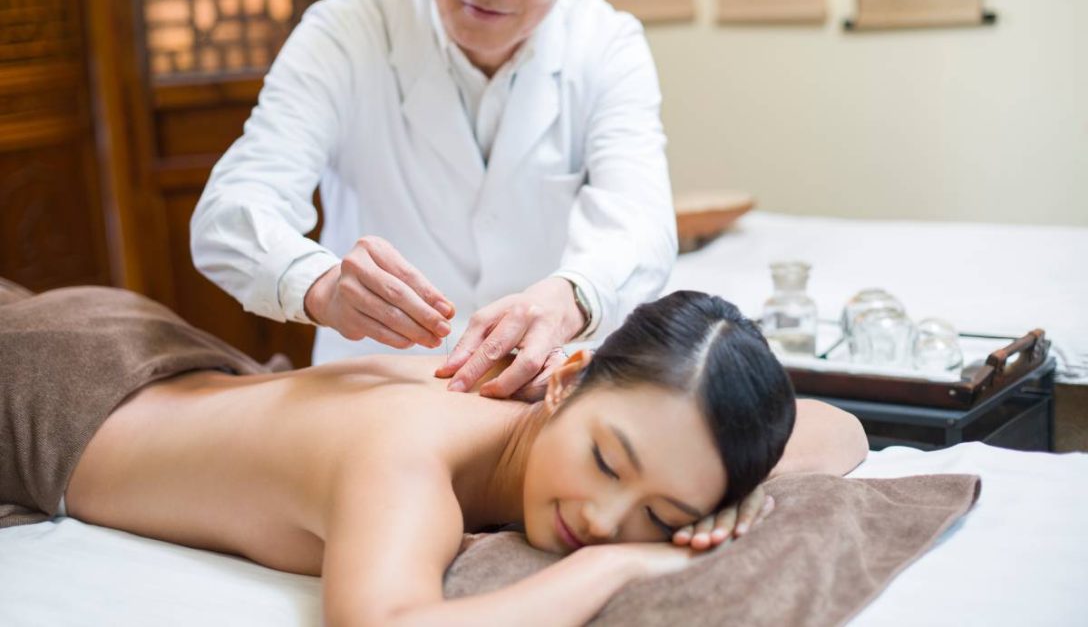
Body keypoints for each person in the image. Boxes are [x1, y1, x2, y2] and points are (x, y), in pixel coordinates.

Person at [0, 283, 867, 625]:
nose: (605, 518)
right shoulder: (407, 459)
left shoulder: (551, 411)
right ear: (565, 380)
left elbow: (843, 430)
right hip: (49, 392)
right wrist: (616, 566)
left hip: (169, 364)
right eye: (607, 463)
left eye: (660, 512)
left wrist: (739, 489)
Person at [190, 0, 677, 399]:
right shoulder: (350, 27)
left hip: (539, 390)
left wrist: (571, 297)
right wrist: (320, 285)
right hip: (377, 390)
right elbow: (230, 212)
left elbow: (641, 223)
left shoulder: (606, 43)